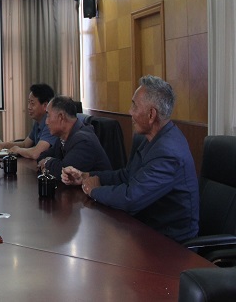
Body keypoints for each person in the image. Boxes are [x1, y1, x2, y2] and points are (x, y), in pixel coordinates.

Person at [61, 75, 199, 243]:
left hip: (171, 244)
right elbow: (126, 175)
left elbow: (131, 198)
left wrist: (94, 190)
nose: (130, 112)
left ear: (151, 115)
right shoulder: (152, 139)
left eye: (134, 105)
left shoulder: (168, 152)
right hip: (145, 230)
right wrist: (85, 176)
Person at [37, 96, 111, 179]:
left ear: (61, 117)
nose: (46, 122)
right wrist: (49, 163)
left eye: (48, 116)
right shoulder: (62, 137)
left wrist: (47, 162)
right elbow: (42, 156)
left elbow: (65, 172)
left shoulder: (83, 141)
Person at [0, 83, 57, 159]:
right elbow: (25, 144)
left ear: (45, 105)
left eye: (32, 103)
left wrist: (18, 150)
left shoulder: (50, 124)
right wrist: (3, 145)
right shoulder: (38, 122)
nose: (29, 107)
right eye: (29, 102)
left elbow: (36, 153)